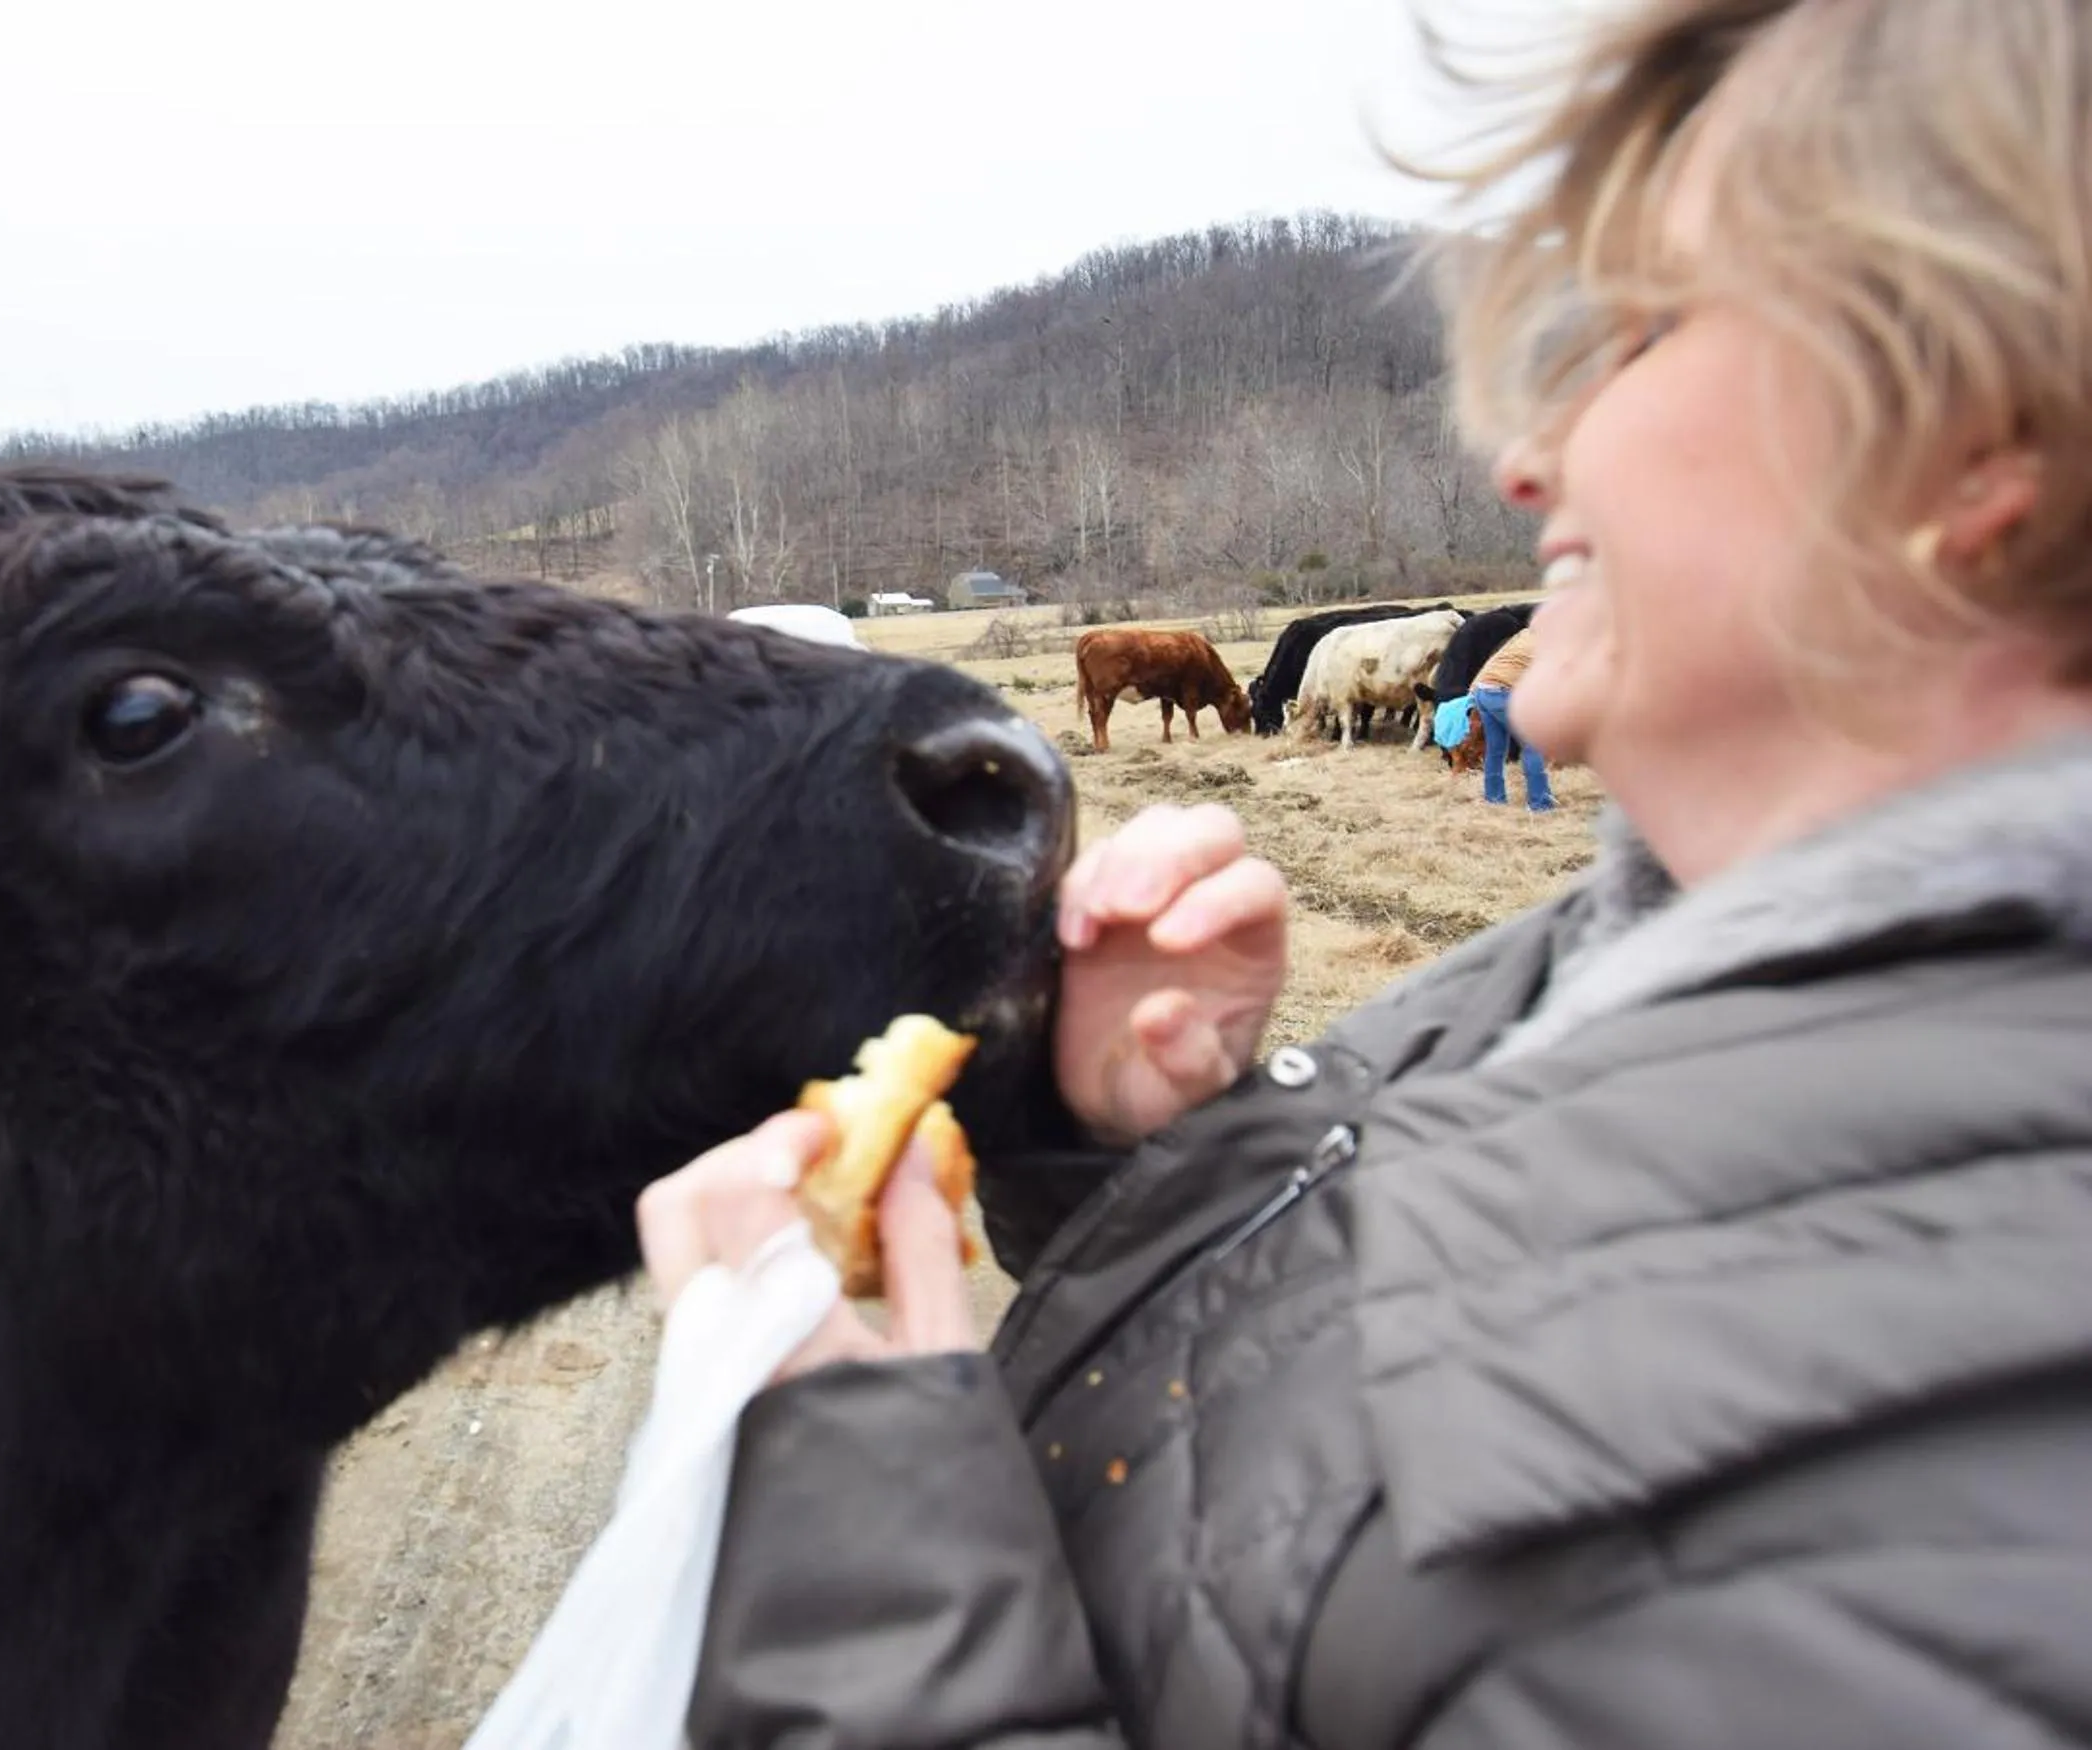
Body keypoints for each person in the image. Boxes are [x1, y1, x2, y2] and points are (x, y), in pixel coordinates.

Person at [631, 2, 2092, 1744]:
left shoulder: (1979, 1493)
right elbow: (1322, 1541)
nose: (1527, 453)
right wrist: (1165, 1161)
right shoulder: (1621, 981)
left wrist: (857, 1546)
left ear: (1976, 446)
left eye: (1638, 332)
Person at [1465, 624, 1551, 810]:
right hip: (1503, 694)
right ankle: (1540, 803)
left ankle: (1494, 798)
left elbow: (1494, 660)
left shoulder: (1523, 634)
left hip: (1482, 690)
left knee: (1496, 749)